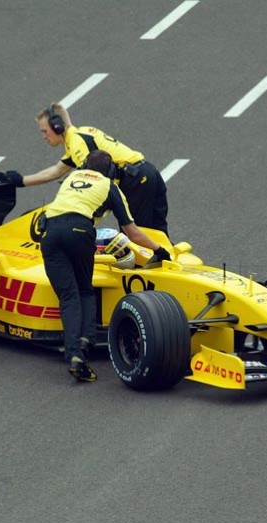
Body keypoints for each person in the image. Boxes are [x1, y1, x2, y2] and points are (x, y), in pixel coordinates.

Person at [37, 150, 171, 382]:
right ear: (110, 171)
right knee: (85, 290)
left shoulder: (70, 179)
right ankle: (86, 341)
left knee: (68, 296)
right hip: (79, 231)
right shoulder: (111, 187)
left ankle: (73, 354)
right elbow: (132, 231)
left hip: (49, 233)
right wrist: (159, 249)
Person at [0, 102, 170, 234]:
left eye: (45, 131)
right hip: (147, 172)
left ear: (57, 127)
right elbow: (56, 171)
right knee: (157, 232)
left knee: (138, 237)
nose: (44, 136)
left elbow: (91, 180)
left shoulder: (77, 145)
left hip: (134, 182)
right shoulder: (78, 135)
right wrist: (21, 181)